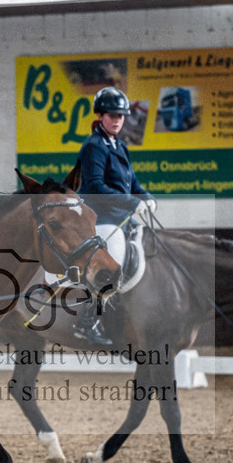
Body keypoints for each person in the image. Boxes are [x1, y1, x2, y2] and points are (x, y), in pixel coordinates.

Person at [74, 86, 158, 346]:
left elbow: (131, 182)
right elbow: (97, 186)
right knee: (111, 264)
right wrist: (132, 202)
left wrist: (145, 196)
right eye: (112, 115)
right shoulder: (93, 147)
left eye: (121, 115)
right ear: (100, 116)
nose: (118, 119)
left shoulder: (119, 145)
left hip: (121, 216)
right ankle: (86, 322)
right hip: (99, 218)